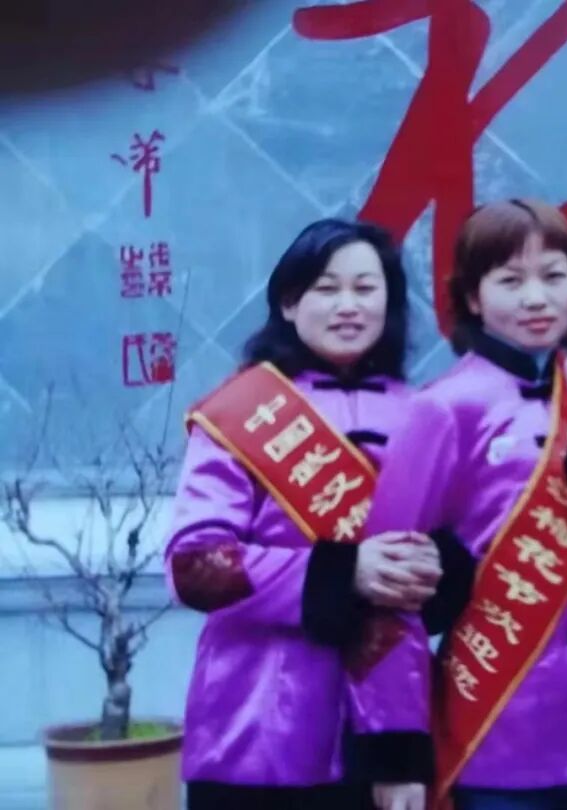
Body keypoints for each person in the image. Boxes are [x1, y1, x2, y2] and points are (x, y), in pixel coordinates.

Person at [359, 199, 567, 810]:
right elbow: (388, 587)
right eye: (511, 280)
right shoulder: (444, 408)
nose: (536, 298)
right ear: (473, 299)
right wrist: (396, 752)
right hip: (491, 714)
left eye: (553, 276)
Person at [165, 219, 444, 810]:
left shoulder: (424, 415)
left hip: (385, 732)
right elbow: (196, 565)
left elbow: (446, 562)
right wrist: (345, 572)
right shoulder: (242, 412)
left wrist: (436, 571)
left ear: (390, 302)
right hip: (255, 728)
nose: (348, 305)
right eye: (326, 288)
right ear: (289, 303)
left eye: (365, 288)